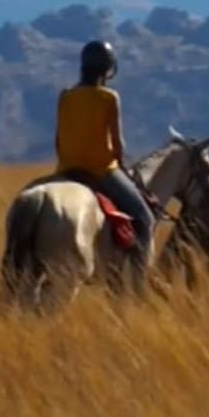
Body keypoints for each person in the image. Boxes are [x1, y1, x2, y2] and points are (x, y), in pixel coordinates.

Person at [54, 40, 156, 268]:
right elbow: (118, 145)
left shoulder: (65, 96)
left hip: (66, 169)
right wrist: (124, 168)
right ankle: (139, 284)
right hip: (101, 171)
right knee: (144, 218)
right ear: (109, 69)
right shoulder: (109, 97)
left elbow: (59, 140)